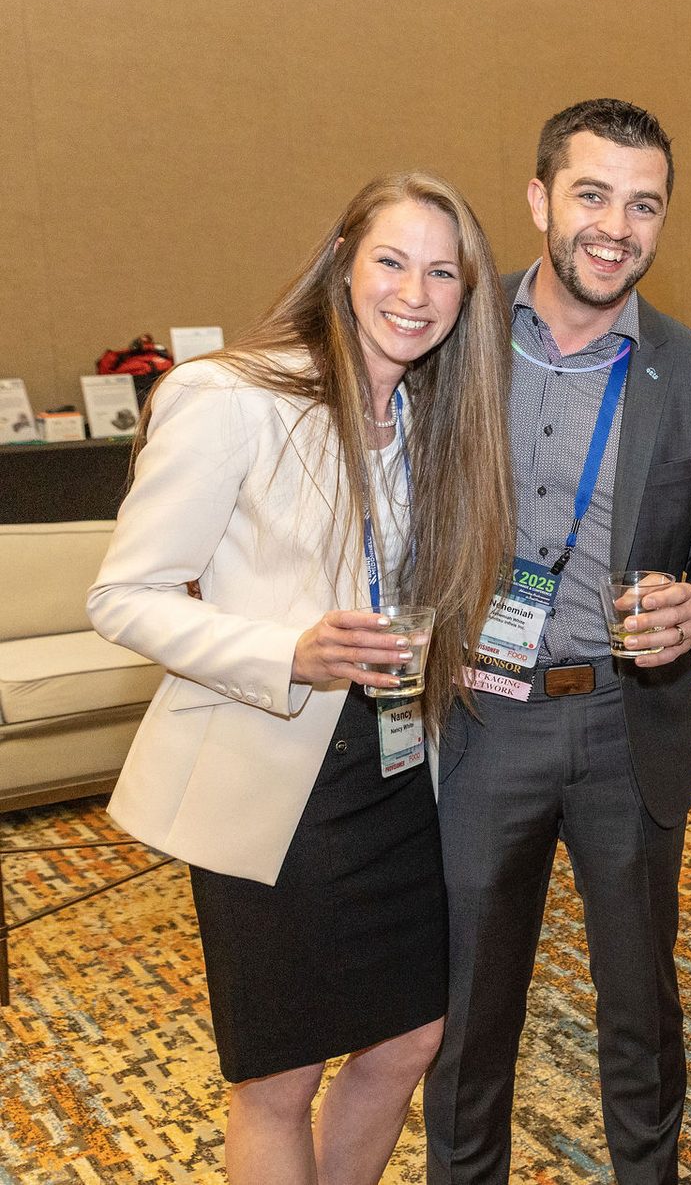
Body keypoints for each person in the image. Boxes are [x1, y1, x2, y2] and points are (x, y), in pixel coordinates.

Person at [88, 172, 515, 1184]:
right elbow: (125, 596)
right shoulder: (229, 397)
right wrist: (288, 651)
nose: (415, 291)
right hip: (273, 778)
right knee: (278, 1078)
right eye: (392, 261)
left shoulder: (426, 419)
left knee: (409, 1037)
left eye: (443, 272)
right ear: (341, 264)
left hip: (396, 768)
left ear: (467, 296)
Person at [424, 99, 691, 1184]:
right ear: (539, 200)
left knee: (639, 1013)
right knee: (469, 1012)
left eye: (645, 203)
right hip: (481, 722)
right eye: (592, 194)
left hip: (626, 724)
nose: (617, 225)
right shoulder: (452, 342)